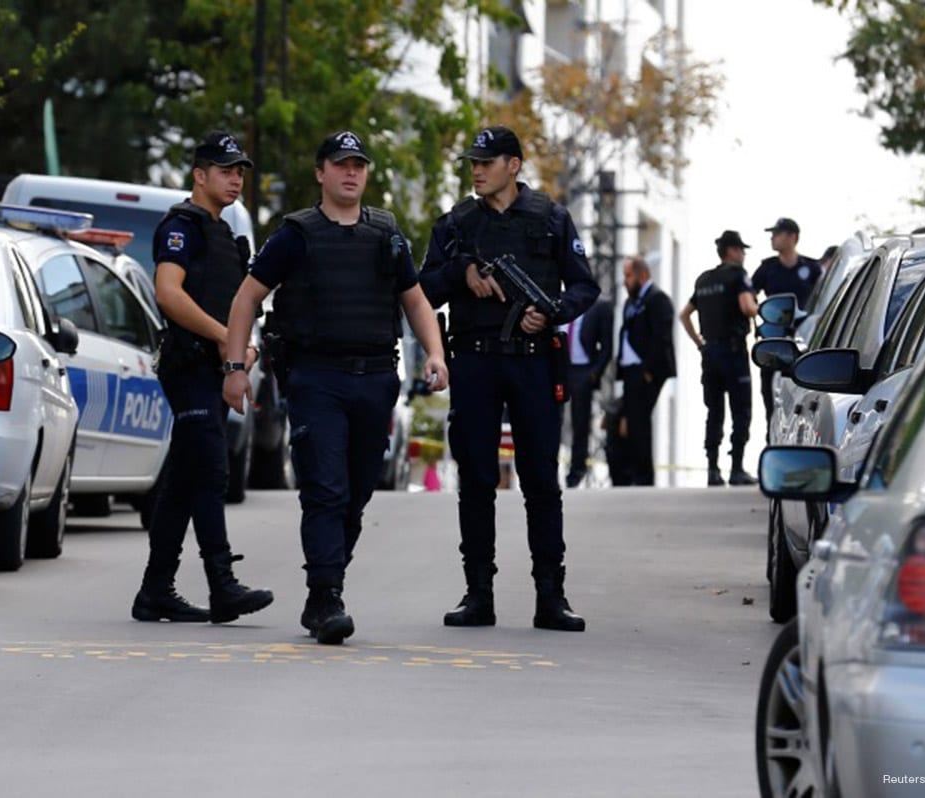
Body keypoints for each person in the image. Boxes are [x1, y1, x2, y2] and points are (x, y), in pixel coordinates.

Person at [223, 130, 449, 645]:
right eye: (341, 164)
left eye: (359, 165)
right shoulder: (296, 235)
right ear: (320, 172)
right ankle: (326, 598)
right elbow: (246, 299)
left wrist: (434, 352)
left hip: (374, 378)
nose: (351, 173)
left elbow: (414, 301)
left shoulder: (386, 235)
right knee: (325, 490)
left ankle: (327, 585)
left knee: (355, 493)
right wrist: (236, 367)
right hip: (316, 378)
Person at [419, 125, 599, 633]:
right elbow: (423, 291)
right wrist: (460, 274)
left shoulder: (550, 218)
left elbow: (586, 286)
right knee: (476, 478)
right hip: (474, 361)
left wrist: (554, 313)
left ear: (513, 165)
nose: (477, 169)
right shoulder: (456, 224)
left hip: (533, 361)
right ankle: (478, 594)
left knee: (541, 479)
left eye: (487, 161)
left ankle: (551, 596)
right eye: (473, 161)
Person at [130, 131, 274, 625]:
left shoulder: (230, 238)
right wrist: (223, 337)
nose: (236, 180)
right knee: (212, 468)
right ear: (200, 175)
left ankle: (155, 591)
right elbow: (168, 293)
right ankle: (222, 585)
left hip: (217, 368)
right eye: (226, 170)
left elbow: (241, 306)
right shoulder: (181, 227)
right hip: (189, 365)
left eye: (240, 172)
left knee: (183, 478)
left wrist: (245, 347)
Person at [678, 230, 760, 487]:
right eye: (741, 249)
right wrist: (762, 311)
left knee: (714, 411)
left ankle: (712, 469)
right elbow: (747, 307)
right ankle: (736, 468)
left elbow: (685, 314)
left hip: (710, 353)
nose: (744, 254)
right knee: (741, 410)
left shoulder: (704, 280)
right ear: (731, 251)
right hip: (733, 352)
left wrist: (699, 343)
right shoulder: (738, 277)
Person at [750, 218, 820, 428]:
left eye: (777, 233)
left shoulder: (812, 268)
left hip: (804, 344)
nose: (772, 238)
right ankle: (773, 440)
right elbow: (748, 296)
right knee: (771, 402)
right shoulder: (767, 268)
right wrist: (764, 316)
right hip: (773, 344)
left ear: (793, 237)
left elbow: (822, 304)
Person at [615, 256, 676, 487]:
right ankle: (633, 472)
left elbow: (661, 337)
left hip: (647, 371)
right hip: (631, 370)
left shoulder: (657, 299)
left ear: (642, 276)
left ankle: (644, 476)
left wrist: (648, 370)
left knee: (640, 422)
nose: (625, 281)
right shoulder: (631, 303)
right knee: (631, 422)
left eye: (628, 276)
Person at [564, 298, 613, 487]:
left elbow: (607, 346)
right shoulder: (560, 302)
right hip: (560, 368)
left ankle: (576, 470)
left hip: (583, 370)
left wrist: (594, 374)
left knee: (580, 423)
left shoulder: (599, 307)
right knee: (553, 419)